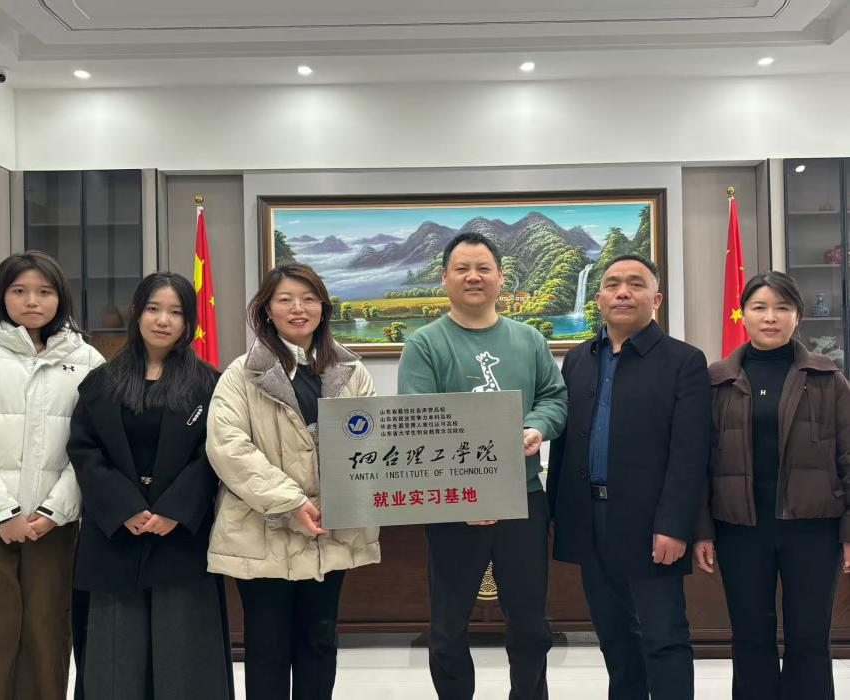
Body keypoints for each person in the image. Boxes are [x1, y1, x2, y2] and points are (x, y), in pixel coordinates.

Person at [397, 232, 568, 700]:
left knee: (530, 623)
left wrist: (536, 427)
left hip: (523, 498)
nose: (473, 277)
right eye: (462, 268)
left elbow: (554, 399)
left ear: (500, 276)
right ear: (444, 277)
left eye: (483, 268)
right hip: (454, 503)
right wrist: (467, 491)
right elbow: (418, 420)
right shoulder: (424, 344)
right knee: (448, 624)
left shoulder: (529, 339)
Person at [0, 250, 104, 699]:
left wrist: (55, 510)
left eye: (44, 291)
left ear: (60, 297)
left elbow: (94, 446)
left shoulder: (87, 360)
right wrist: (1, 511)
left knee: (46, 636)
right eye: (19, 290)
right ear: (0, 295)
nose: (32, 301)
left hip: (53, 527)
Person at [206, 262, 379, 700]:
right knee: (267, 648)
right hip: (261, 528)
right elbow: (228, 447)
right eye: (285, 299)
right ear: (267, 310)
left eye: (308, 299)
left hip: (331, 527)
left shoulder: (351, 371)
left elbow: (370, 444)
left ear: (323, 307)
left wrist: (337, 501)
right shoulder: (241, 374)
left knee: (319, 643)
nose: (298, 308)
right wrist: (291, 502)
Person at [547, 254, 711, 700]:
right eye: (613, 283)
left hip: (651, 524)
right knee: (615, 638)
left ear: (656, 299)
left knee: (664, 638)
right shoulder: (577, 359)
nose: (623, 292)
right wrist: (557, 513)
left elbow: (690, 452)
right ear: (599, 298)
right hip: (589, 518)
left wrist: (674, 525)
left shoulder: (684, 361)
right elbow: (564, 442)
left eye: (636, 284)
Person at [67, 272, 232, 700]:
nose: (163, 320)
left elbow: (215, 453)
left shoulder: (211, 384)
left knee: (183, 649)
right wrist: (124, 507)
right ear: (136, 313)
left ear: (189, 321)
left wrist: (174, 510)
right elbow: (85, 450)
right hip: (115, 532)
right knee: (116, 651)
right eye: (154, 309)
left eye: (175, 312)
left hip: (181, 534)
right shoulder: (101, 382)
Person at [693, 271, 850, 700]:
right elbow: (698, 463)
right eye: (759, 307)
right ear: (743, 314)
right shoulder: (716, 380)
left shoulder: (828, 379)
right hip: (740, 528)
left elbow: (848, 456)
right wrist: (702, 529)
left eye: (782, 307)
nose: (770, 317)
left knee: (809, 637)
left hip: (813, 529)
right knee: (750, 636)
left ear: (798, 315)